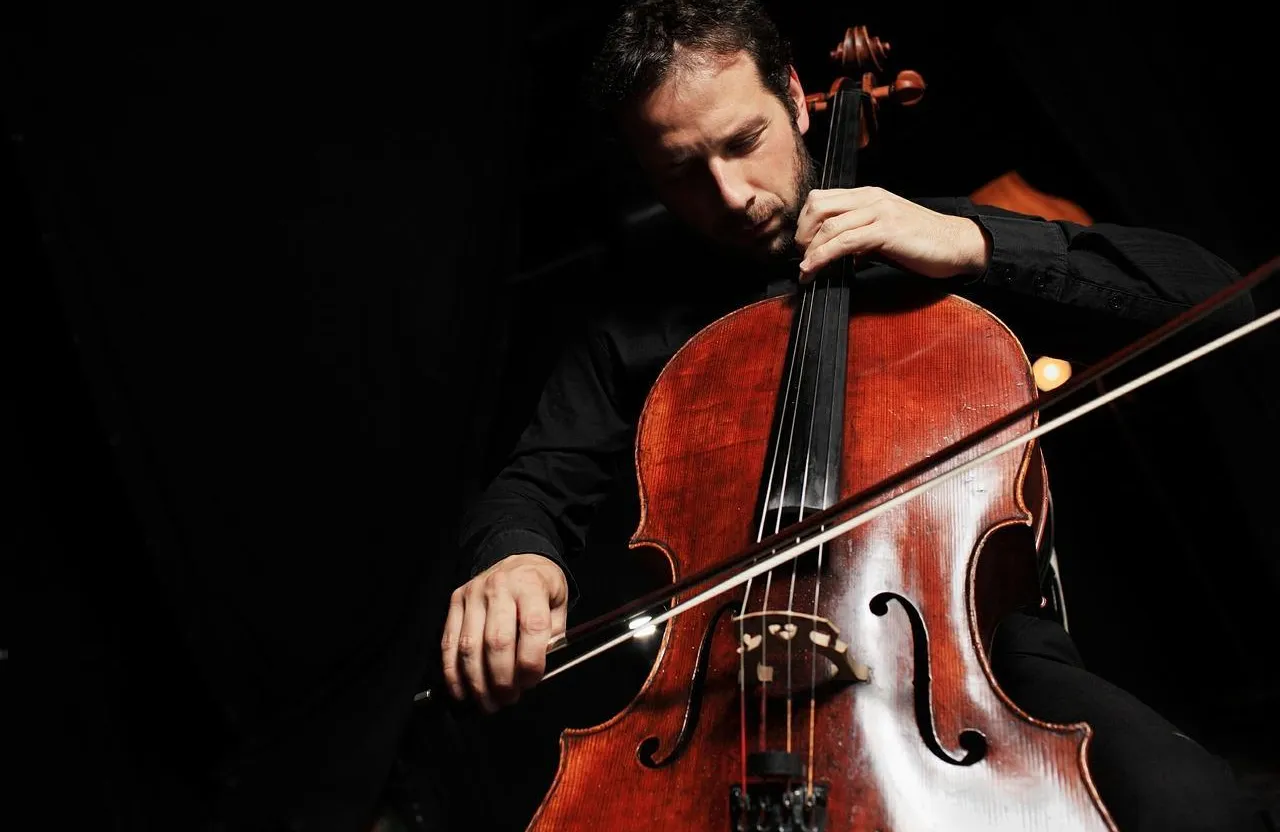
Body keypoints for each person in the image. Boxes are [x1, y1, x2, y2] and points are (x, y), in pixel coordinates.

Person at [439, 1, 1263, 829]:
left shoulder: (926, 237)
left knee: (1196, 809)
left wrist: (976, 245)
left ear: (796, 97)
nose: (731, 195)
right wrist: (512, 557)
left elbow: (1218, 299)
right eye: (683, 171)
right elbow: (534, 485)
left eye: (742, 143)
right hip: (726, 688)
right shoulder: (626, 329)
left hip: (969, 663)